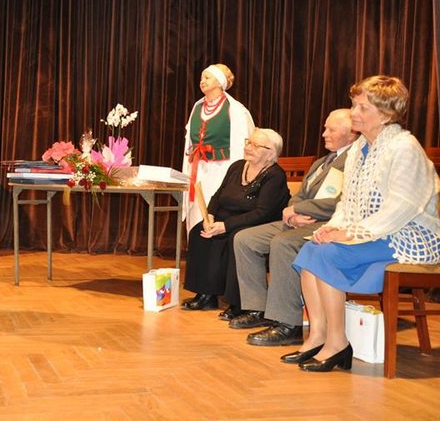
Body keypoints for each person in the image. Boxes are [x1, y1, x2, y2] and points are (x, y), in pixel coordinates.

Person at [287, 75, 440, 372]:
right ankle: (318, 336)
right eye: (354, 105)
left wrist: (349, 233)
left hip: (409, 235)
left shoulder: (404, 147)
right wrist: (332, 227)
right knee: (310, 250)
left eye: (362, 107)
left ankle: (338, 343)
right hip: (376, 232)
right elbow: (348, 201)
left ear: (385, 114)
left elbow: (402, 208)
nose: (354, 112)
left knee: (329, 255)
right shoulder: (359, 148)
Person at [231, 109, 358, 346]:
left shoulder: (355, 161)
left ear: (351, 134)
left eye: (331, 129)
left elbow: (341, 202)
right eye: (325, 128)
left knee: (283, 243)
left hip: (329, 224)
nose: (324, 134)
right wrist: (292, 213)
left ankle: (288, 324)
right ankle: (257, 308)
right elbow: (300, 194)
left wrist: (301, 210)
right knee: (245, 239)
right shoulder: (322, 162)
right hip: (300, 220)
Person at [182, 128, 290, 319]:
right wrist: (210, 216)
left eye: (255, 145)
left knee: (235, 238)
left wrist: (226, 225)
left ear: (271, 153)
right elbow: (218, 195)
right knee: (199, 232)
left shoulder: (275, 175)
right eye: (249, 142)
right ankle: (206, 294)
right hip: (224, 217)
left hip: (254, 221)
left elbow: (263, 212)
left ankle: (238, 302)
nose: (248, 147)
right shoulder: (237, 166)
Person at [182, 64, 255, 233]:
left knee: (215, 207)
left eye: (207, 77)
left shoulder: (235, 110)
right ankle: (196, 244)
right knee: (197, 210)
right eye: (201, 78)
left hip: (222, 169)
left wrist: (237, 177)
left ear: (219, 82)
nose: (202, 81)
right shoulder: (197, 107)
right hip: (198, 168)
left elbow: (243, 143)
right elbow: (189, 143)